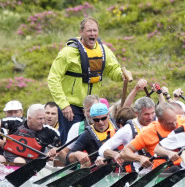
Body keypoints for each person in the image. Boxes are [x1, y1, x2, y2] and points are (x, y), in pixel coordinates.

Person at [47, 16, 130, 144]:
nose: (93, 34)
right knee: (71, 142)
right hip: (71, 107)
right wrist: (63, 105)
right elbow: (53, 79)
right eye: (89, 31)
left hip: (93, 107)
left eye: (95, 31)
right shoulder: (67, 52)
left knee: (94, 141)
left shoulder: (104, 51)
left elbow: (112, 70)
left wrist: (121, 75)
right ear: (81, 32)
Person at [118, 101, 185, 171]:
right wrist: (140, 158)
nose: (174, 125)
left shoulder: (184, 122)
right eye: (170, 123)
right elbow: (124, 153)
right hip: (163, 173)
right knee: (174, 169)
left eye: (175, 121)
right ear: (159, 121)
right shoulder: (148, 132)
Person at [65, 100, 118, 167]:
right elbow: (69, 157)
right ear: (92, 119)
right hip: (99, 170)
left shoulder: (118, 126)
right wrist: (76, 154)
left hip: (120, 168)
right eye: (96, 120)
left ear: (108, 116)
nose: (100, 122)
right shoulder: (87, 134)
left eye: (103, 118)